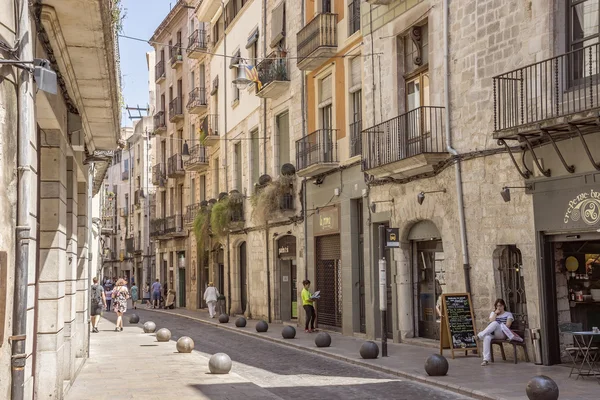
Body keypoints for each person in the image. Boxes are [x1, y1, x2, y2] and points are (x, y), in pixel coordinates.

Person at [477, 298, 514, 366]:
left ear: (504, 306)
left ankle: (479, 336)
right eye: (497, 306)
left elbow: (508, 325)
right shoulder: (493, 313)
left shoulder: (508, 314)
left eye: (500, 306)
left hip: (502, 333)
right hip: (493, 334)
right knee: (487, 337)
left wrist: (498, 326)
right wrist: (495, 314)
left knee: (495, 323)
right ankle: (485, 360)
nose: (499, 307)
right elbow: (491, 321)